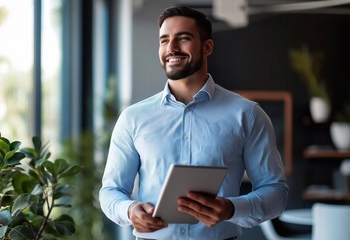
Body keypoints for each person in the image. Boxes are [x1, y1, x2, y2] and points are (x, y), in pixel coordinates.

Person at [99, 6, 288, 240]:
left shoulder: (247, 114)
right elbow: (111, 191)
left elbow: (276, 192)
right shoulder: (133, 118)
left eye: (183, 38)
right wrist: (128, 210)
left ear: (207, 47)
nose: (171, 48)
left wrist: (232, 208)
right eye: (164, 40)